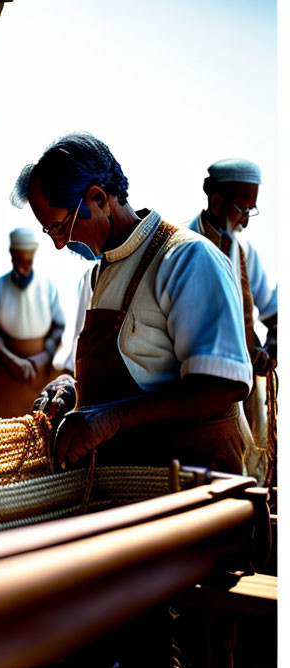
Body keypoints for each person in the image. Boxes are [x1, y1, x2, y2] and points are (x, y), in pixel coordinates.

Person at [14, 132, 251, 476]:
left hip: (187, 486)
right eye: (50, 232)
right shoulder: (99, 275)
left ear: (97, 198)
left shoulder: (187, 259)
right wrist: (70, 390)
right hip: (122, 482)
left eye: (61, 226)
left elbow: (223, 385)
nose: (59, 244)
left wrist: (110, 419)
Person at [186, 158, 276, 376]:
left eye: (250, 211)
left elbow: (274, 310)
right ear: (216, 203)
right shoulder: (181, 248)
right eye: (243, 210)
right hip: (195, 382)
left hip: (242, 381)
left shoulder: (243, 250)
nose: (245, 222)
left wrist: (272, 348)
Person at [0, 227, 65, 420]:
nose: (23, 268)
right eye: (19, 262)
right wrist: (11, 359)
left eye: (28, 262)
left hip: (38, 373)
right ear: (12, 257)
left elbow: (58, 326)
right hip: (3, 373)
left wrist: (43, 356)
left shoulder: (47, 287)